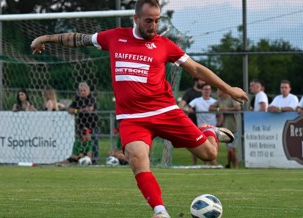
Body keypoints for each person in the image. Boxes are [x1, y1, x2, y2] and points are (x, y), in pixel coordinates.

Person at [30, 0, 248, 217]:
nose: (153, 25)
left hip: (165, 112)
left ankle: (209, 131)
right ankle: (160, 211)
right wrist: (46, 38)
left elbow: (197, 70)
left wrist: (228, 89)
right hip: (132, 118)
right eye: (148, 21)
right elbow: (78, 39)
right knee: (137, 159)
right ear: (135, 19)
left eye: (156, 20)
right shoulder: (114, 36)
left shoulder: (164, 44)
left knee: (209, 154)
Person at [188, 84, 220, 166]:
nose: (207, 91)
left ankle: (212, 165)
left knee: (211, 148)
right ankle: (195, 165)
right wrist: (189, 109)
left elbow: (220, 114)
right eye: (205, 89)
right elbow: (188, 107)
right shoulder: (197, 100)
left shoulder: (214, 101)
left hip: (212, 128)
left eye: (209, 89)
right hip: (201, 127)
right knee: (196, 146)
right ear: (202, 91)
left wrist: (219, 123)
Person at [209, 88, 241, 169]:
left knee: (231, 149)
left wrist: (227, 110)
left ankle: (234, 166)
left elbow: (238, 108)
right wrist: (219, 109)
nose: (217, 92)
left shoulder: (231, 98)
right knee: (230, 150)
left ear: (223, 91)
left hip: (235, 128)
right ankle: (230, 166)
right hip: (226, 130)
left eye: (218, 90)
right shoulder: (220, 100)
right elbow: (210, 108)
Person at [68, 82, 99, 164]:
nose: (82, 92)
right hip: (82, 126)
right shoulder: (77, 99)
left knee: (93, 142)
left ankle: (94, 161)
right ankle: (81, 159)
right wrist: (79, 110)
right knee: (81, 142)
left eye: (84, 90)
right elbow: (70, 110)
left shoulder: (91, 98)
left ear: (88, 90)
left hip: (92, 125)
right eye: (80, 90)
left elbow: (90, 108)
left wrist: (78, 110)